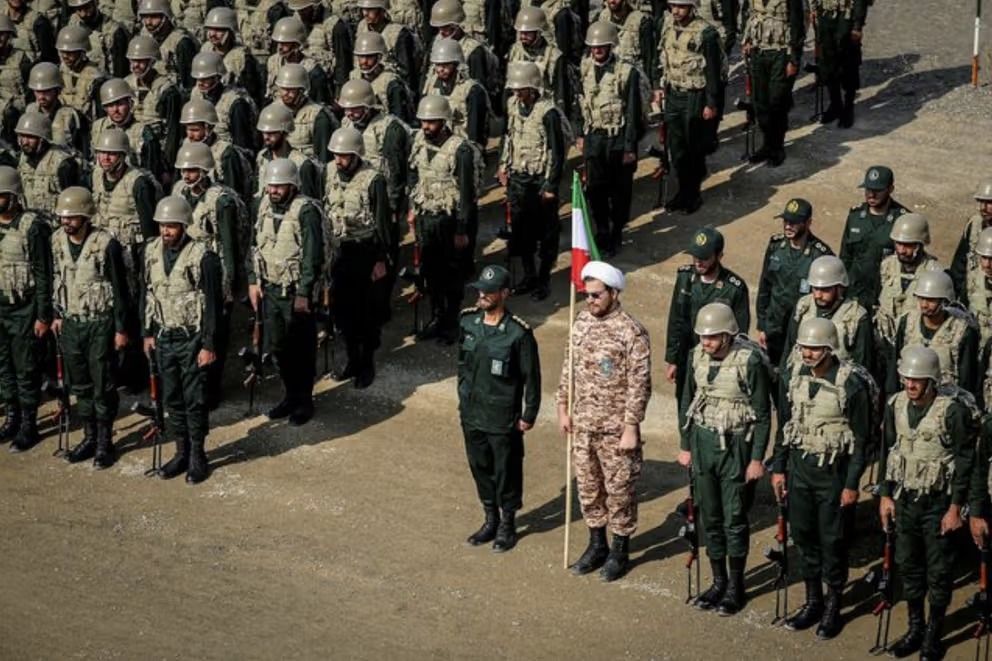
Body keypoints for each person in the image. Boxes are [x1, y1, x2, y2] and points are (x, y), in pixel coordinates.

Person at [771, 317, 872, 639]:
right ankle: (813, 601)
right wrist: (779, 467)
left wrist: (852, 484)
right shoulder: (792, 376)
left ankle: (833, 605)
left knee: (833, 541)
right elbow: (786, 426)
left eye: (815, 348)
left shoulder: (851, 384)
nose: (808, 353)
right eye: (804, 347)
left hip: (833, 474)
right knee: (803, 536)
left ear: (829, 348)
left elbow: (861, 440)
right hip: (800, 469)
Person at [878, 345, 978, 660]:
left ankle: (933, 634)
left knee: (938, 571)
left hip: (938, 502)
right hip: (905, 498)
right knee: (909, 566)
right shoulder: (895, 405)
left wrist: (955, 508)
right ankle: (914, 627)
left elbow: (965, 462)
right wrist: (884, 494)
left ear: (932, 381)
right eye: (906, 377)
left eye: (917, 380)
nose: (910, 384)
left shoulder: (952, 411)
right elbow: (887, 451)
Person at [557, 261, 651, 582]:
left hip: (615, 430)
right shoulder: (580, 322)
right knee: (588, 487)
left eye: (597, 295)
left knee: (619, 490)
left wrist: (631, 426)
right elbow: (568, 368)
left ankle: (619, 550)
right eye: (587, 295)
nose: (590, 301)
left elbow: (640, 384)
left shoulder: (631, 332)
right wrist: (562, 406)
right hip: (583, 425)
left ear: (613, 293)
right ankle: (596, 545)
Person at [679, 302, 771, 614]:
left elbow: (762, 414)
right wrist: (685, 445)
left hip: (736, 446)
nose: (706, 342)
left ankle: (735, 585)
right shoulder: (695, 358)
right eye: (703, 336)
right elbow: (686, 401)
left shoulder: (750, 361)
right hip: (703, 443)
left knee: (735, 519)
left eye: (713, 337)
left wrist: (757, 458)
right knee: (710, 517)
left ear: (729, 334)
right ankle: (718, 581)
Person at [140, 195, 223, 484]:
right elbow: (147, 294)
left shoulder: (204, 257)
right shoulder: (150, 252)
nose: (166, 231)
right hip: (164, 336)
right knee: (171, 397)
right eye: (162, 226)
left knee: (195, 398)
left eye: (172, 226)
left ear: (184, 225)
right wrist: (147, 332)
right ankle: (181, 451)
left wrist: (209, 345)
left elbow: (214, 305)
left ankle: (199, 454)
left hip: (192, 338)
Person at [459, 264, 541, 552]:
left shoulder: (518, 334)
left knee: (506, 470)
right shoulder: (468, 323)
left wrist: (529, 415)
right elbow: (462, 366)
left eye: (489, 291)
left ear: (504, 294)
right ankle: (489, 518)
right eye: (480, 290)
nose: (482, 295)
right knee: (480, 466)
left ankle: (507, 523)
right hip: (472, 413)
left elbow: (532, 378)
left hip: (502, 415)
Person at [51, 186, 129, 468]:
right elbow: (55, 279)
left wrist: (121, 329)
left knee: (102, 384)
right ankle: (89, 436)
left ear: (85, 216)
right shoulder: (57, 241)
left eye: (72, 217)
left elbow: (121, 291)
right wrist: (56, 314)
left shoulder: (106, 244)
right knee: (81, 384)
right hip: (72, 323)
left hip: (100, 324)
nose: (66, 222)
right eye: (63, 217)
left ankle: (105, 442)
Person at [247, 158, 328, 426]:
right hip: (270, 288)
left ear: (292, 185)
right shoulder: (263, 207)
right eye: (271, 186)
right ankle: (290, 395)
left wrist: (305, 292)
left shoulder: (306, 211)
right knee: (278, 348)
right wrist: (253, 281)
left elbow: (312, 255)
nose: (274, 191)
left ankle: (304, 400)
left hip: (295, 293)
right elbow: (253, 245)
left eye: (280, 186)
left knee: (301, 350)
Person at [172, 141, 248, 409]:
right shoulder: (179, 192)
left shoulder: (222, 200)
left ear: (205, 170)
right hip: (186, 269)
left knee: (214, 333)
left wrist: (228, 286)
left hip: (213, 270)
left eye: (192, 170)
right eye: (183, 169)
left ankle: (211, 389)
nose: (186, 175)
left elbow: (229, 245)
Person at [408, 94, 478, 345]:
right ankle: (437, 318)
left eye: (432, 122)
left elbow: (467, 194)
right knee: (430, 272)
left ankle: (451, 323)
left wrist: (462, 229)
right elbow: (414, 175)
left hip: (449, 221)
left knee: (451, 275)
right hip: (427, 217)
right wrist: (412, 209)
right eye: (423, 122)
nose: (426, 127)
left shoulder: (460, 150)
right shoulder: (418, 141)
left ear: (444, 121)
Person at [323, 127, 390, 389]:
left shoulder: (373, 180)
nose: (338, 160)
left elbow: (383, 223)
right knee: (341, 312)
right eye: (336, 155)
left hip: (365, 252)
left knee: (366, 312)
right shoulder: (328, 172)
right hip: (338, 251)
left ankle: (366, 363)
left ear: (356, 155)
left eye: (344, 156)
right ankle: (351, 359)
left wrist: (381, 260)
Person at [497, 61, 566, 302]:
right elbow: (509, 136)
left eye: (522, 89)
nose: (517, 93)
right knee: (521, 231)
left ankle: (544, 278)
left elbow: (557, 152)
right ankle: (529, 275)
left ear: (534, 88)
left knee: (547, 233)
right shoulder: (512, 106)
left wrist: (551, 185)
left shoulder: (548, 113)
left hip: (540, 180)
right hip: (518, 178)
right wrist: (502, 164)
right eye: (515, 89)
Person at [665, 227, 750, 421]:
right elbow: (676, 319)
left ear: (719, 256)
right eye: (695, 256)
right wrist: (672, 359)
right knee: (685, 407)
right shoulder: (685, 278)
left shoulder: (734, 288)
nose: (698, 262)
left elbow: (740, 332)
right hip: (688, 356)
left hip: (718, 359)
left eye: (704, 257)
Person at [575, 20, 645, 255]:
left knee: (620, 191)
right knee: (595, 190)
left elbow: (634, 112)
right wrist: (579, 134)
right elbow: (579, 103)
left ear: (610, 45)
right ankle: (602, 230)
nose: (597, 50)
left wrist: (629, 147)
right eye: (594, 47)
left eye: (602, 46)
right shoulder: (584, 68)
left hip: (618, 140)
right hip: (594, 138)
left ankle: (617, 232)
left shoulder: (626, 73)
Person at [0, 165, 51, 452]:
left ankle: (29, 424)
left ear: (13, 195)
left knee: (25, 369)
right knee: (4, 367)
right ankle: (12, 417)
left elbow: (44, 273)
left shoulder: (32, 227)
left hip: (24, 309)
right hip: (0, 307)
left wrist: (43, 315)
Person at [657, 0, 722, 214]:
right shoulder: (668, 26)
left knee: (694, 148)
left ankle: (693, 195)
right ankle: (682, 192)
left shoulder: (706, 33)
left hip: (695, 97)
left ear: (692, 7)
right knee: (677, 150)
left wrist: (711, 103)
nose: (676, 11)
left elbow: (713, 71)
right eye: (673, 6)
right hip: (674, 93)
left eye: (682, 6)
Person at [756, 198, 833, 367]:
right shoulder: (776, 246)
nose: (788, 226)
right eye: (786, 221)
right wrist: (762, 325)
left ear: (808, 223)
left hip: (802, 327)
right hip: (775, 324)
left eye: (794, 222)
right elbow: (765, 285)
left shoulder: (820, 255)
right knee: (772, 369)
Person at [888, 270, 981, 400]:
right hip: (910, 396)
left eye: (931, 300)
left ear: (944, 301)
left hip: (946, 401)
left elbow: (967, 379)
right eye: (921, 298)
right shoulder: (907, 322)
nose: (924, 305)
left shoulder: (962, 332)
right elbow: (894, 365)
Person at [782, 255, 872, 371]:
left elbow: (862, 367)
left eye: (825, 289)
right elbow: (789, 350)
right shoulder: (803, 307)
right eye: (815, 288)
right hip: (801, 383)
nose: (817, 295)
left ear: (839, 288)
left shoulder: (855, 317)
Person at [740, 0, 804, 165]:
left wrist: (794, 60)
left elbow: (797, 26)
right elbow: (746, 14)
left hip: (780, 53)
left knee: (777, 102)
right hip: (758, 53)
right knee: (760, 103)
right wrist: (746, 39)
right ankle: (767, 145)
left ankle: (777, 148)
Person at [838, 165, 908, 307]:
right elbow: (845, 256)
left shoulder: (903, 221)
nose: (871, 195)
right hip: (855, 294)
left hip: (886, 295)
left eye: (877, 191)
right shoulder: (855, 216)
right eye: (868, 189)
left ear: (890, 189)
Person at [872, 212, 943, 349]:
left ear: (920, 244)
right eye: (898, 244)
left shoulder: (935, 274)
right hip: (885, 344)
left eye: (908, 245)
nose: (902, 250)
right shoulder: (887, 266)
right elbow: (876, 301)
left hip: (917, 347)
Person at [91, 78, 168, 182]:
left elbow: (151, 171)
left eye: (120, 104)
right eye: (110, 105)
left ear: (130, 103)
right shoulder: (98, 128)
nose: (115, 110)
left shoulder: (143, 132)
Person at [124, 34, 183, 172]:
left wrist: (167, 166)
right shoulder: (126, 84)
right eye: (133, 61)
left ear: (151, 61)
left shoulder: (167, 90)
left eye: (141, 61)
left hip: (159, 153)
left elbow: (173, 131)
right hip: (132, 147)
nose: (135, 65)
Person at [507, 6, 576, 123]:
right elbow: (509, 84)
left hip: (544, 109)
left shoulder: (555, 56)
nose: (523, 36)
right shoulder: (515, 51)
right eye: (521, 32)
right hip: (520, 108)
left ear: (539, 33)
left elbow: (561, 93)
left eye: (528, 33)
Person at [422, 38, 489, 148]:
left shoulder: (472, 90)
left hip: (463, 148)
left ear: (456, 65)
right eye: (438, 65)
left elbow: (475, 132)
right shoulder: (431, 86)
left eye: (445, 65)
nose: (440, 70)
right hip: (438, 146)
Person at [809, 0, 866, 128]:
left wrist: (857, 25)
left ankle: (848, 107)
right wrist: (813, 9)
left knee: (849, 63)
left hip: (846, 16)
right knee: (827, 62)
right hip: (824, 14)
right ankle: (835, 104)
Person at [254, 101, 323, 202]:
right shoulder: (262, 157)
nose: (266, 137)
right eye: (264, 132)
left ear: (284, 133)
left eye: (272, 133)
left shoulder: (302, 164)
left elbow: (310, 202)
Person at [189, 51, 258, 152]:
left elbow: (242, 147)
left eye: (205, 78)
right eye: (198, 78)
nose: (200, 82)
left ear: (217, 77)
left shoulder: (236, 103)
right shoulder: (196, 94)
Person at [14, 111, 82, 212]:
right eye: (21, 136)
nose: (24, 142)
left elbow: (73, 204)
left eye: (30, 137)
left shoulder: (64, 164)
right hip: (31, 221)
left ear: (42, 139)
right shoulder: (21, 159)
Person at [272, 62, 338, 164]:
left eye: (290, 90)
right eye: (283, 88)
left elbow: (323, 160)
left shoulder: (318, 116)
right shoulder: (273, 111)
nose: (285, 93)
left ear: (302, 91)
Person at [287, 0, 353, 98]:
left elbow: (343, 63)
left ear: (315, 7)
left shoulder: (335, 27)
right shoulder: (296, 21)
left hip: (324, 84)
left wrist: (340, 95)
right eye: (299, 10)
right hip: (298, 80)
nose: (301, 13)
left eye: (304, 10)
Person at [349, 30, 415, 125]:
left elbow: (400, 121)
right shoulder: (354, 77)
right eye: (361, 57)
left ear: (379, 57)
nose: (364, 61)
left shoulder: (391, 83)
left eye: (369, 57)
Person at [201, 6, 264, 105]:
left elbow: (253, 93)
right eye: (210, 29)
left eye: (218, 30)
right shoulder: (205, 50)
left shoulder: (243, 58)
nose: (212, 34)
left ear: (230, 32)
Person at [264, 16, 331, 105]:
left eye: (285, 44)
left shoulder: (313, 72)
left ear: (297, 45)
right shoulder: (273, 62)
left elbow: (320, 105)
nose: (279, 47)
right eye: (279, 43)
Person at [24, 62, 86, 154]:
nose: (41, 96)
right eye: (38, 91)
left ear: (57, 90)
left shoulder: (71, 116)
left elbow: (83, 151)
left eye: (46, 91)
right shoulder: (30, 111)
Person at [356, 0, 419, 91]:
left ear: (382, 11)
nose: (365, 13)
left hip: (390, 87)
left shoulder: (397, 34)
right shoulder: (362, 27)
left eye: (370, 9)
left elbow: (407, 73)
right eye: (364, 9)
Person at [136, 0, 199, 92]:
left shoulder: (181, 43)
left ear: (166, 17)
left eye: (154, 17)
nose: (148, 22)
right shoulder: (145, 36)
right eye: (145, 17)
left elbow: (189, 85)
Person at [65, 0, 130, 78]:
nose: (83, 14)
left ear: (95, 3)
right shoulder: (72, 24)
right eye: (79, 10)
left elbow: (120, 71)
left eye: (87, 8)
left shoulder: (114, 32)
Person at [55, 24, 107, 121]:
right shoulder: (57, 73)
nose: (65, 56)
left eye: (70, 52)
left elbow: (101, 115)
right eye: (63, 52)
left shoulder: (96, 79)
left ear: (82, 52)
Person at [950, 181, 992, 297]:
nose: (983, 208)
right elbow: (960, 264)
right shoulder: (974, 225)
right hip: (973, 294)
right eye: (981, 202)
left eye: (989, 203)